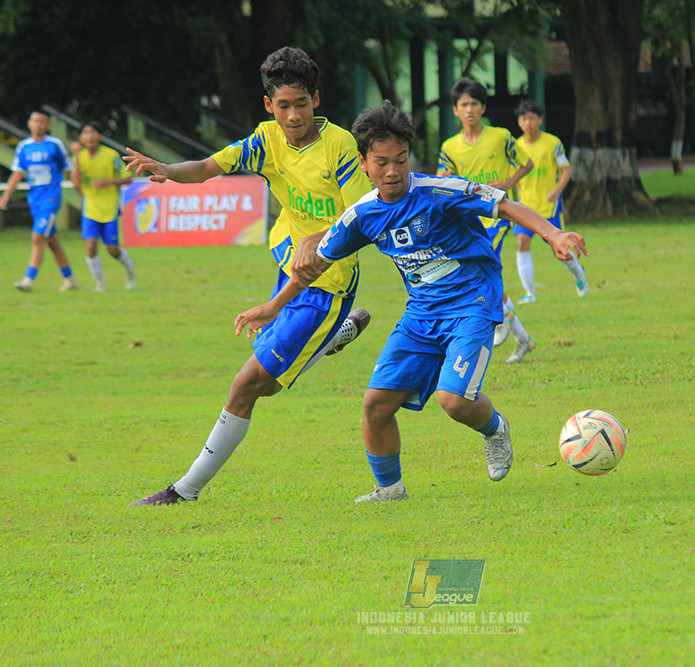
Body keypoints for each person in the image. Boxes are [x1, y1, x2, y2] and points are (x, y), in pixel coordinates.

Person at [233, 101, 587, 502]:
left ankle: (495, 428)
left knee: (453, 401)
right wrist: (275, 307)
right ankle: (390, 490)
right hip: (422, 312)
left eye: (400, 160)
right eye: (381, 162)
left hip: (473, 301)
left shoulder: (437, 191)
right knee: (376, 405)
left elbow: (503, 204)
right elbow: (314, 264)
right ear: (363, 164)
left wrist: (553, 235)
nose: (393, 171)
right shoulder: (361, 216)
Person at [126, 46, 373, 506]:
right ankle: (331, 340)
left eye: (301, 104)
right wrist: (165, 170)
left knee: (249, 384)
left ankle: (185, 490)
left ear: (316, 100)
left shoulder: (340, 146)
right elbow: (205, 169)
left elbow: (363, 218)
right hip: (290, 266)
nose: (293, 115)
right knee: (266, 383)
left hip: (328, 283)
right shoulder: (265, 139)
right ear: (269, 106)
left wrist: (317, 239)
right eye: (284, 106)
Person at [437, 78, 536, 363]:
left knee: (485, 273)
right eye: (464, 104)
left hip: (496, 216)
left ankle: (504, 320)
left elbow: (526, 163)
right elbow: (445, 179)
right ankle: (522, 336)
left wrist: (506, 183)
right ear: (455, 110)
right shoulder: (450, 146)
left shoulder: (501, 136)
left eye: (474, 104)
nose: (469, 109)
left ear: (483, 107)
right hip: (467, 220)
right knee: (482, 276)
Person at [512, 99, 588, 303]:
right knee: (521, 243)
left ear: (540, 120)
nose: (528, 123)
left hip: (549, 207)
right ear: (519, 122)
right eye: (524, 119)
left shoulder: (552, 143)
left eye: (532, 118)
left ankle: (578, 274)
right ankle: (530, 293)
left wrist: (557, 190)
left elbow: (566, 170)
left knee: (559, 250)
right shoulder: (516, 146)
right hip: (526, 206)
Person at [0, 110, 79, 292]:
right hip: (34, 200)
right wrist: (6, 194)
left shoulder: (55, 144)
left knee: (37, 238)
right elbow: (17, 173)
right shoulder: (23, 147)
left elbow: (69, 169)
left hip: (50, 199)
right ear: (29, 123)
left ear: (48, 125)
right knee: (52, 241)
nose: (39, 124)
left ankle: (29, 279)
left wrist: (80, 190)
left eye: (43, 121)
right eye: (36, 121)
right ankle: (70, 279)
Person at [69, 121, 137, 292]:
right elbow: (76, 182)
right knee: (90, 247)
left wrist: (109, 182)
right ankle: (100, 284)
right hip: (90, 208)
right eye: (86, 133)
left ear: (99, 136)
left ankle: (129, 267)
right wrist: (76, 157)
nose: (90, 136)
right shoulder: (79, 157)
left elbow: (128, 178)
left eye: (93, 132)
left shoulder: (111, 155)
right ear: (80, 138)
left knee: (113, 250)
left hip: (109, 208)